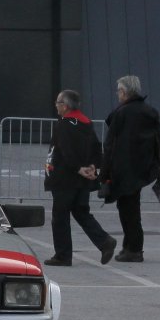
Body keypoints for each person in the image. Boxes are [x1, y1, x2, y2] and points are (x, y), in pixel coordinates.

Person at [42, 90, 116, 267]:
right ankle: (104, 241)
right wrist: (94, 166)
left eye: (58, 102)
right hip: (82, 179)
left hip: (65, 177)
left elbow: (65, 150)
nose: (56, 106)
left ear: (65, 106)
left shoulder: (63, 124)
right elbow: (96, 147)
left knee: (60, 216)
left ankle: (63, 255)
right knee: (81, 212)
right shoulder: (86, 122)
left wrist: (78, 168)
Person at [101, 75, 160, 264]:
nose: (117, 94)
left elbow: (110, 144)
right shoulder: (150, 112)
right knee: (131, 208)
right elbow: (157, 140)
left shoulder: (121, 113)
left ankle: (134, 249)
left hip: (123, 167)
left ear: (124, 92)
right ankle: (129, 246)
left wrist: (104, 171)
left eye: (119, 91)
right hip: (142, 167)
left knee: (128, 210)